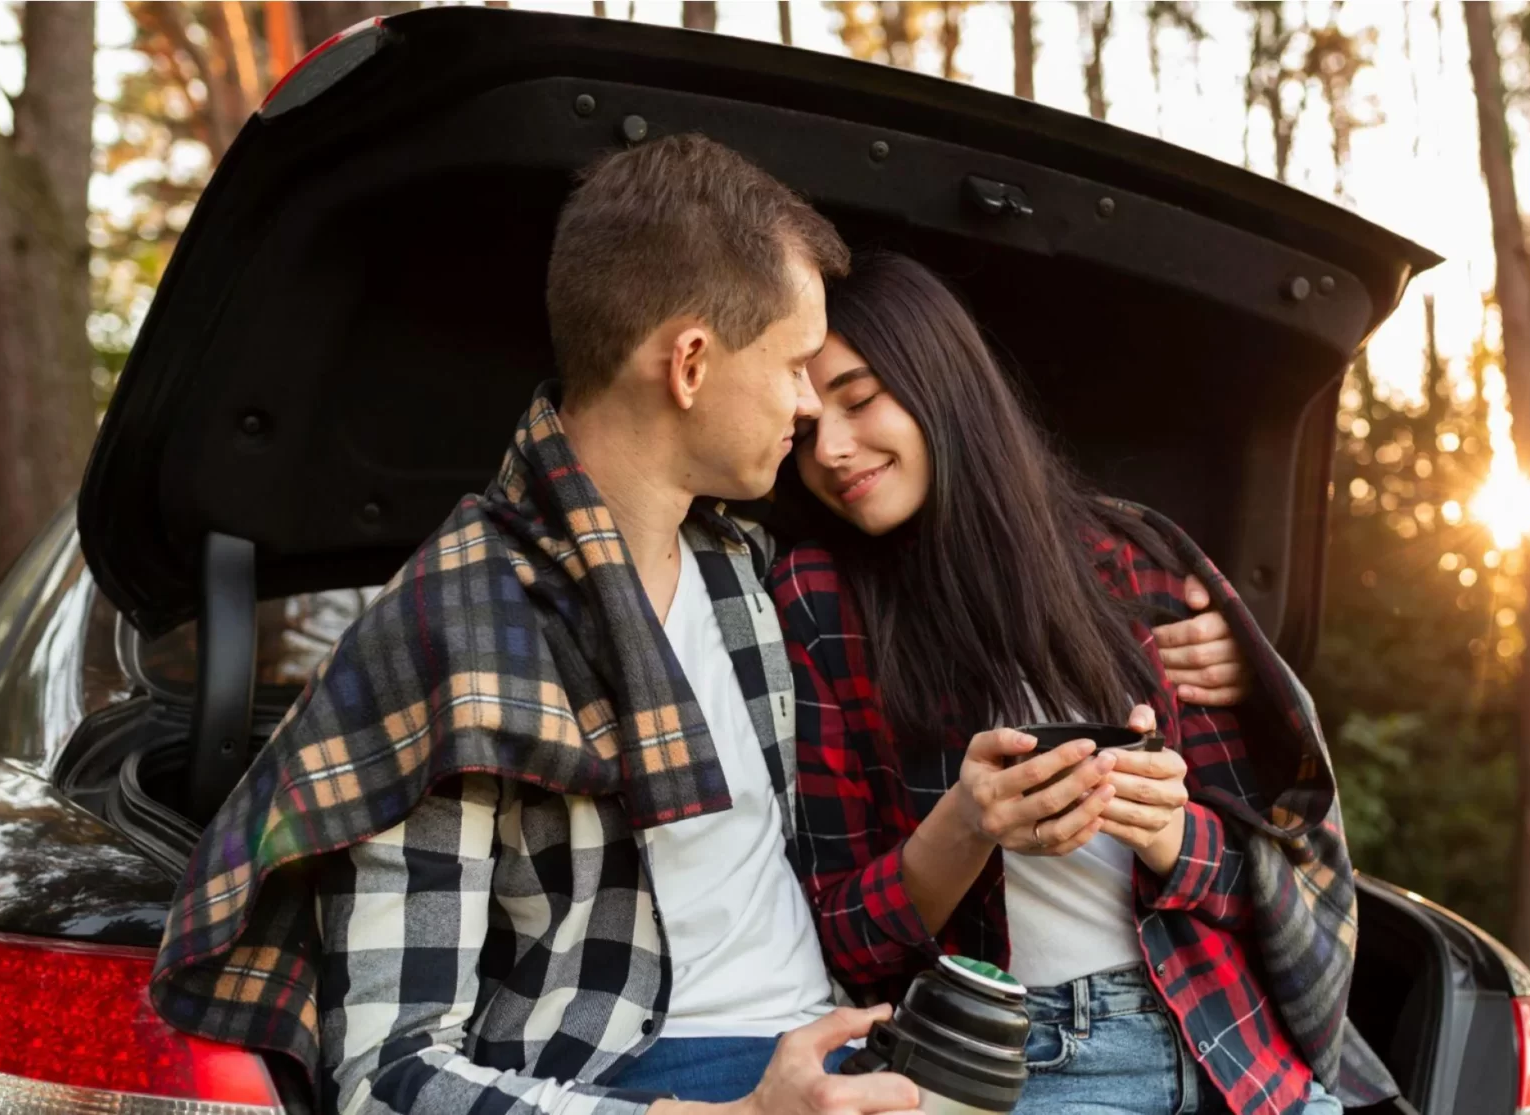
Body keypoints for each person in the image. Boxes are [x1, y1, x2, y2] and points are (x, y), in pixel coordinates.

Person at [150, 136, 1244, 1115]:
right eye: (789, 366)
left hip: (864, 1043)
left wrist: (1220, 654)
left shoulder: (743, 574)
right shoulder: (455, 636)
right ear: (688, 363)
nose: (809, 411)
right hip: (657, 1072)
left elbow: (954, 572)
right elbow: (389, 1075)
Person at [769, 253, 1401, 1115]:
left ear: (940, 380)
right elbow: (841, 935)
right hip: (1022, 1061)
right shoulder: (817, 599)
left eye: (859, 396)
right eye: (805, 431)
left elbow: (1271, 870)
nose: (832, 450)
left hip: (1228, 1040)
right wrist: (967, 824)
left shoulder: (1129, 559)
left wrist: (1174, 833)